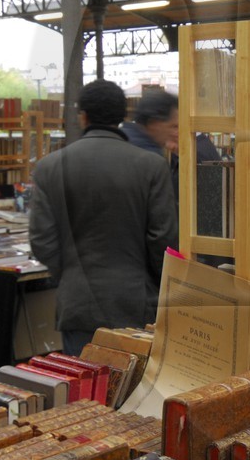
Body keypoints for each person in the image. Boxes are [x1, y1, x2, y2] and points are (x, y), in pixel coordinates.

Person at [29, 80, 176, 355]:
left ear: (82, 116)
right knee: (137, 381)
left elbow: (42, 241)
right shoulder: (152, 166)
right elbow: (163, 239)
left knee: (84, 380)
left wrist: (71, 274)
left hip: (78, 302)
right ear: (122, 116)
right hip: (136, 299)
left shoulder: (49, 167)